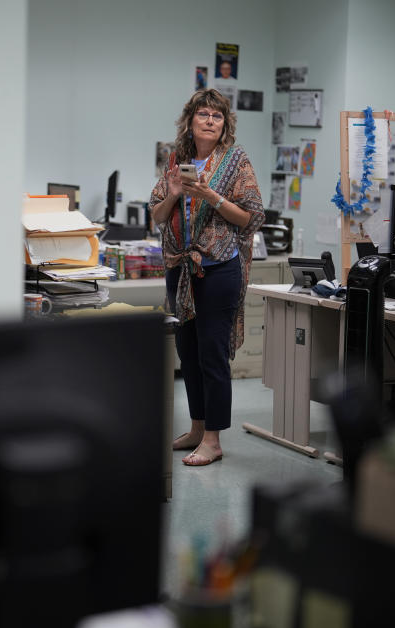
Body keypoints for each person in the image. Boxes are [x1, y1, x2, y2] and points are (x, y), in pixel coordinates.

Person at [149, 89, 265, 466]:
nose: (211, 121)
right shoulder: (177, 160)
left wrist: (210, 195)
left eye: (218, 116)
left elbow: (251, 218)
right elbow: (158, 214)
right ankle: (197, 428)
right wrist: (176, 192)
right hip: (180, 269)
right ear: (191, 121)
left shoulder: (236, 161)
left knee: (212, 355)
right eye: (204, 114)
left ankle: (213, 440)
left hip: (218, 269)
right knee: (188, 351)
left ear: (225, 124)